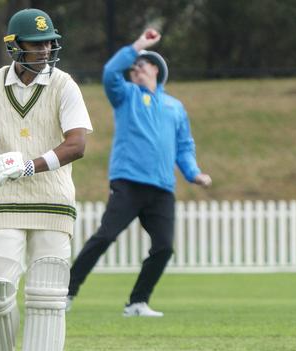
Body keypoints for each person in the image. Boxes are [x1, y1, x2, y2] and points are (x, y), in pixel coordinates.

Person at [0, 8, 92, 351]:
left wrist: (30, 165)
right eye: (36, 45)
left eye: (49, 42)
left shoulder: (64, 85)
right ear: (15, 47)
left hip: (53, 199)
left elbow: (77, 144)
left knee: (47, 294)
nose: (45, 50)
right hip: (3, 197)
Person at [67, 28, 211, 318]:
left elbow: (184, 146)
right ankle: (66, 293)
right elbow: (110, 72)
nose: (135, 70)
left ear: (155, 69)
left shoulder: (175, 107)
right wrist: (136, 47)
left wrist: (193, 173)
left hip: (161, 188)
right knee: (105, 237)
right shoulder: (126, 95)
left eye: (141, 65)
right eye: (132, 68)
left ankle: (137, 303)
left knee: (164, 247)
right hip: (128, 183)